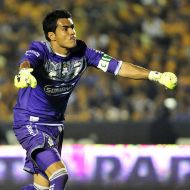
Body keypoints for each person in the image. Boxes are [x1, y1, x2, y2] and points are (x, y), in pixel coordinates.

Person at [13, 9, 177, 190]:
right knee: (59, 175)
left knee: (40, 188)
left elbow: (119, 66)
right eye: (65, 29)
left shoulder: (83, 53)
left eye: (72, 27)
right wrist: (24, 72)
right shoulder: (41, 49)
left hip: (55, 125)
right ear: (52, 35)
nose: (72, 32)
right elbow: (28, 61)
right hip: (30, 122)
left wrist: (155, 75)